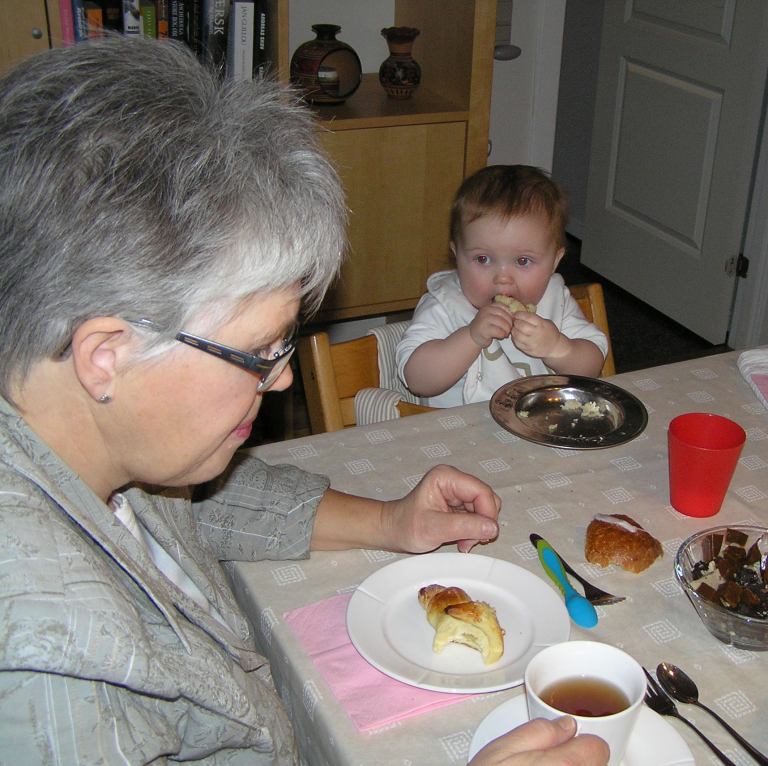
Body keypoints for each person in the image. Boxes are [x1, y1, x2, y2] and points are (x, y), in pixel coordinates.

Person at [0, 36, 607, 766]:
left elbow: (204, 504)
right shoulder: (54, 668)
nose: (284, 379)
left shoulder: (92, 441)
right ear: (107, 354)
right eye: (257, 350)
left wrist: (390, 520)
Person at [397, 165, 608, 407]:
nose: (503, 278)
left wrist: (558, 348)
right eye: (483, 259)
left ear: (554, 262)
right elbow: (417, 380)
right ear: (456, 255)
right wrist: (471, 337)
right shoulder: (444, 304)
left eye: (523, 261)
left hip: (542, 419)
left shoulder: (555, 299)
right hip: (463, 428)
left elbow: (592, 365)